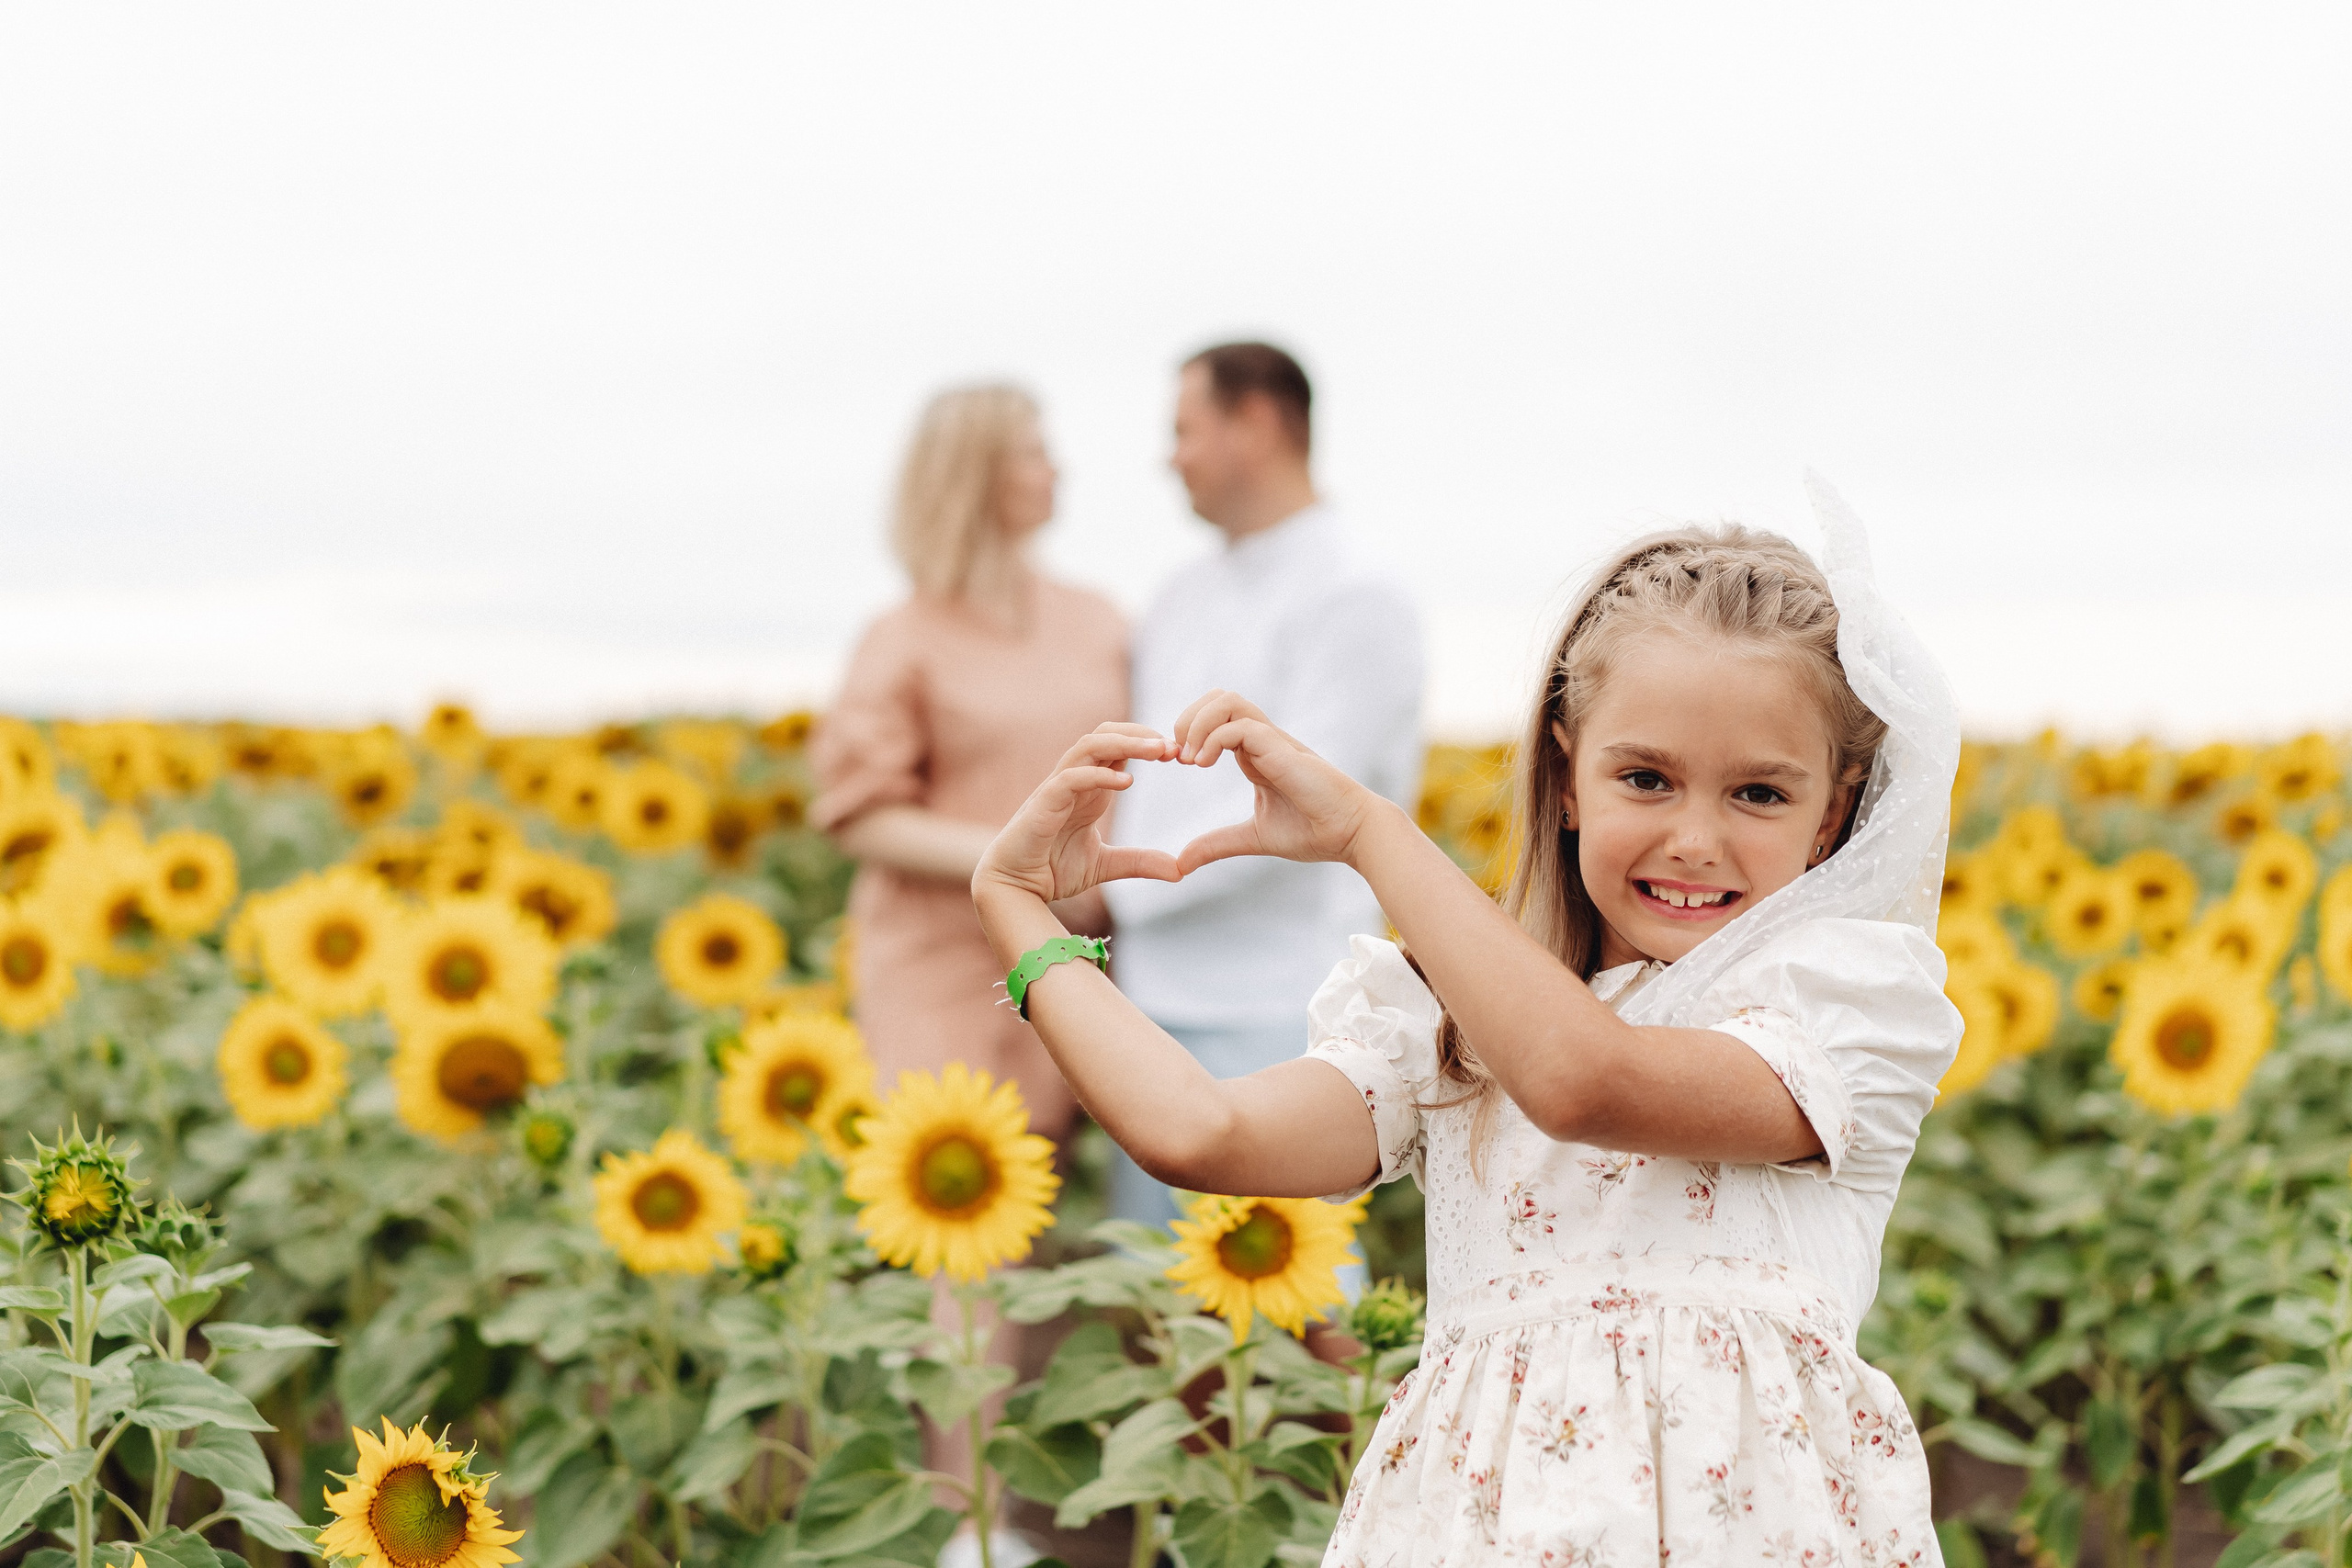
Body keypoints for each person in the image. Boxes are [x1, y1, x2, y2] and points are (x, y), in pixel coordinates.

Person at [970, 484, 1962, 1564]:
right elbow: (1199, 1132)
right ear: (1565, 775)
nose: (1693, 837)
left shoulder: (1847, 1000)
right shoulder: (1446, 1024)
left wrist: (1367, 832)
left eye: (1758, 796)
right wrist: (1020, 914)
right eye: (1644, 778)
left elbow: (1587, 1086)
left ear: (1832, 809)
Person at [1102, 341, 1422, 1224]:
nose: (1171, 457)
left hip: (1285, 1003)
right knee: (1159, 1311)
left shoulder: (1358, 595)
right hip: (1152, 997)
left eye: (1185, 429)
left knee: (1297, 1297)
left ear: (1258, 424)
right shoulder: (1176, 595)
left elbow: (1305, 805)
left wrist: (1109, 887)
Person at [812, 382, 1126, 1140]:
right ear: (977, 472)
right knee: (946, 1181)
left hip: (1066, 946)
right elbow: (859, 814)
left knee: (1035, 1185)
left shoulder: (1096, 619)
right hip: (941, 956)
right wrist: (1016, 862)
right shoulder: (902, 637)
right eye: (1034, 452)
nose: (1058, 469)